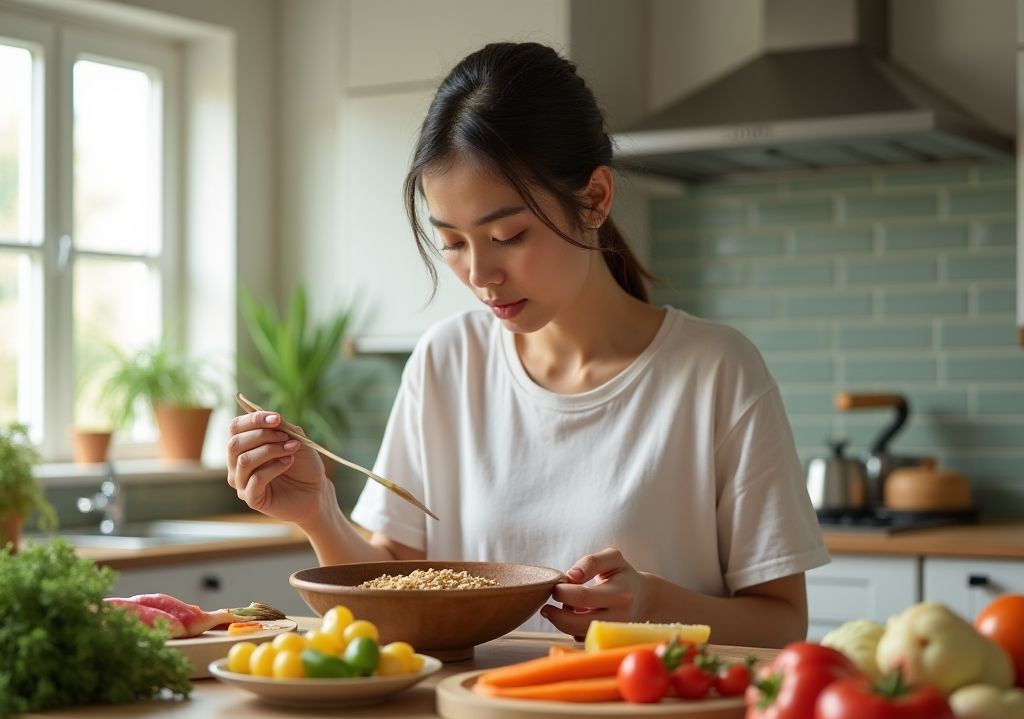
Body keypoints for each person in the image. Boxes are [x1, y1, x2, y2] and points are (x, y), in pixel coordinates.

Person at [227, 41, 829, 647]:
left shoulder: (715, 371)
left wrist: (653, 605)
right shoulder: (447, 361)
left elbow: (781, 624)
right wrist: (317, 513)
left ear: (594, 199)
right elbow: (395, 593)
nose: (481, 275)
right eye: (455, 243)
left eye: (508, 235)